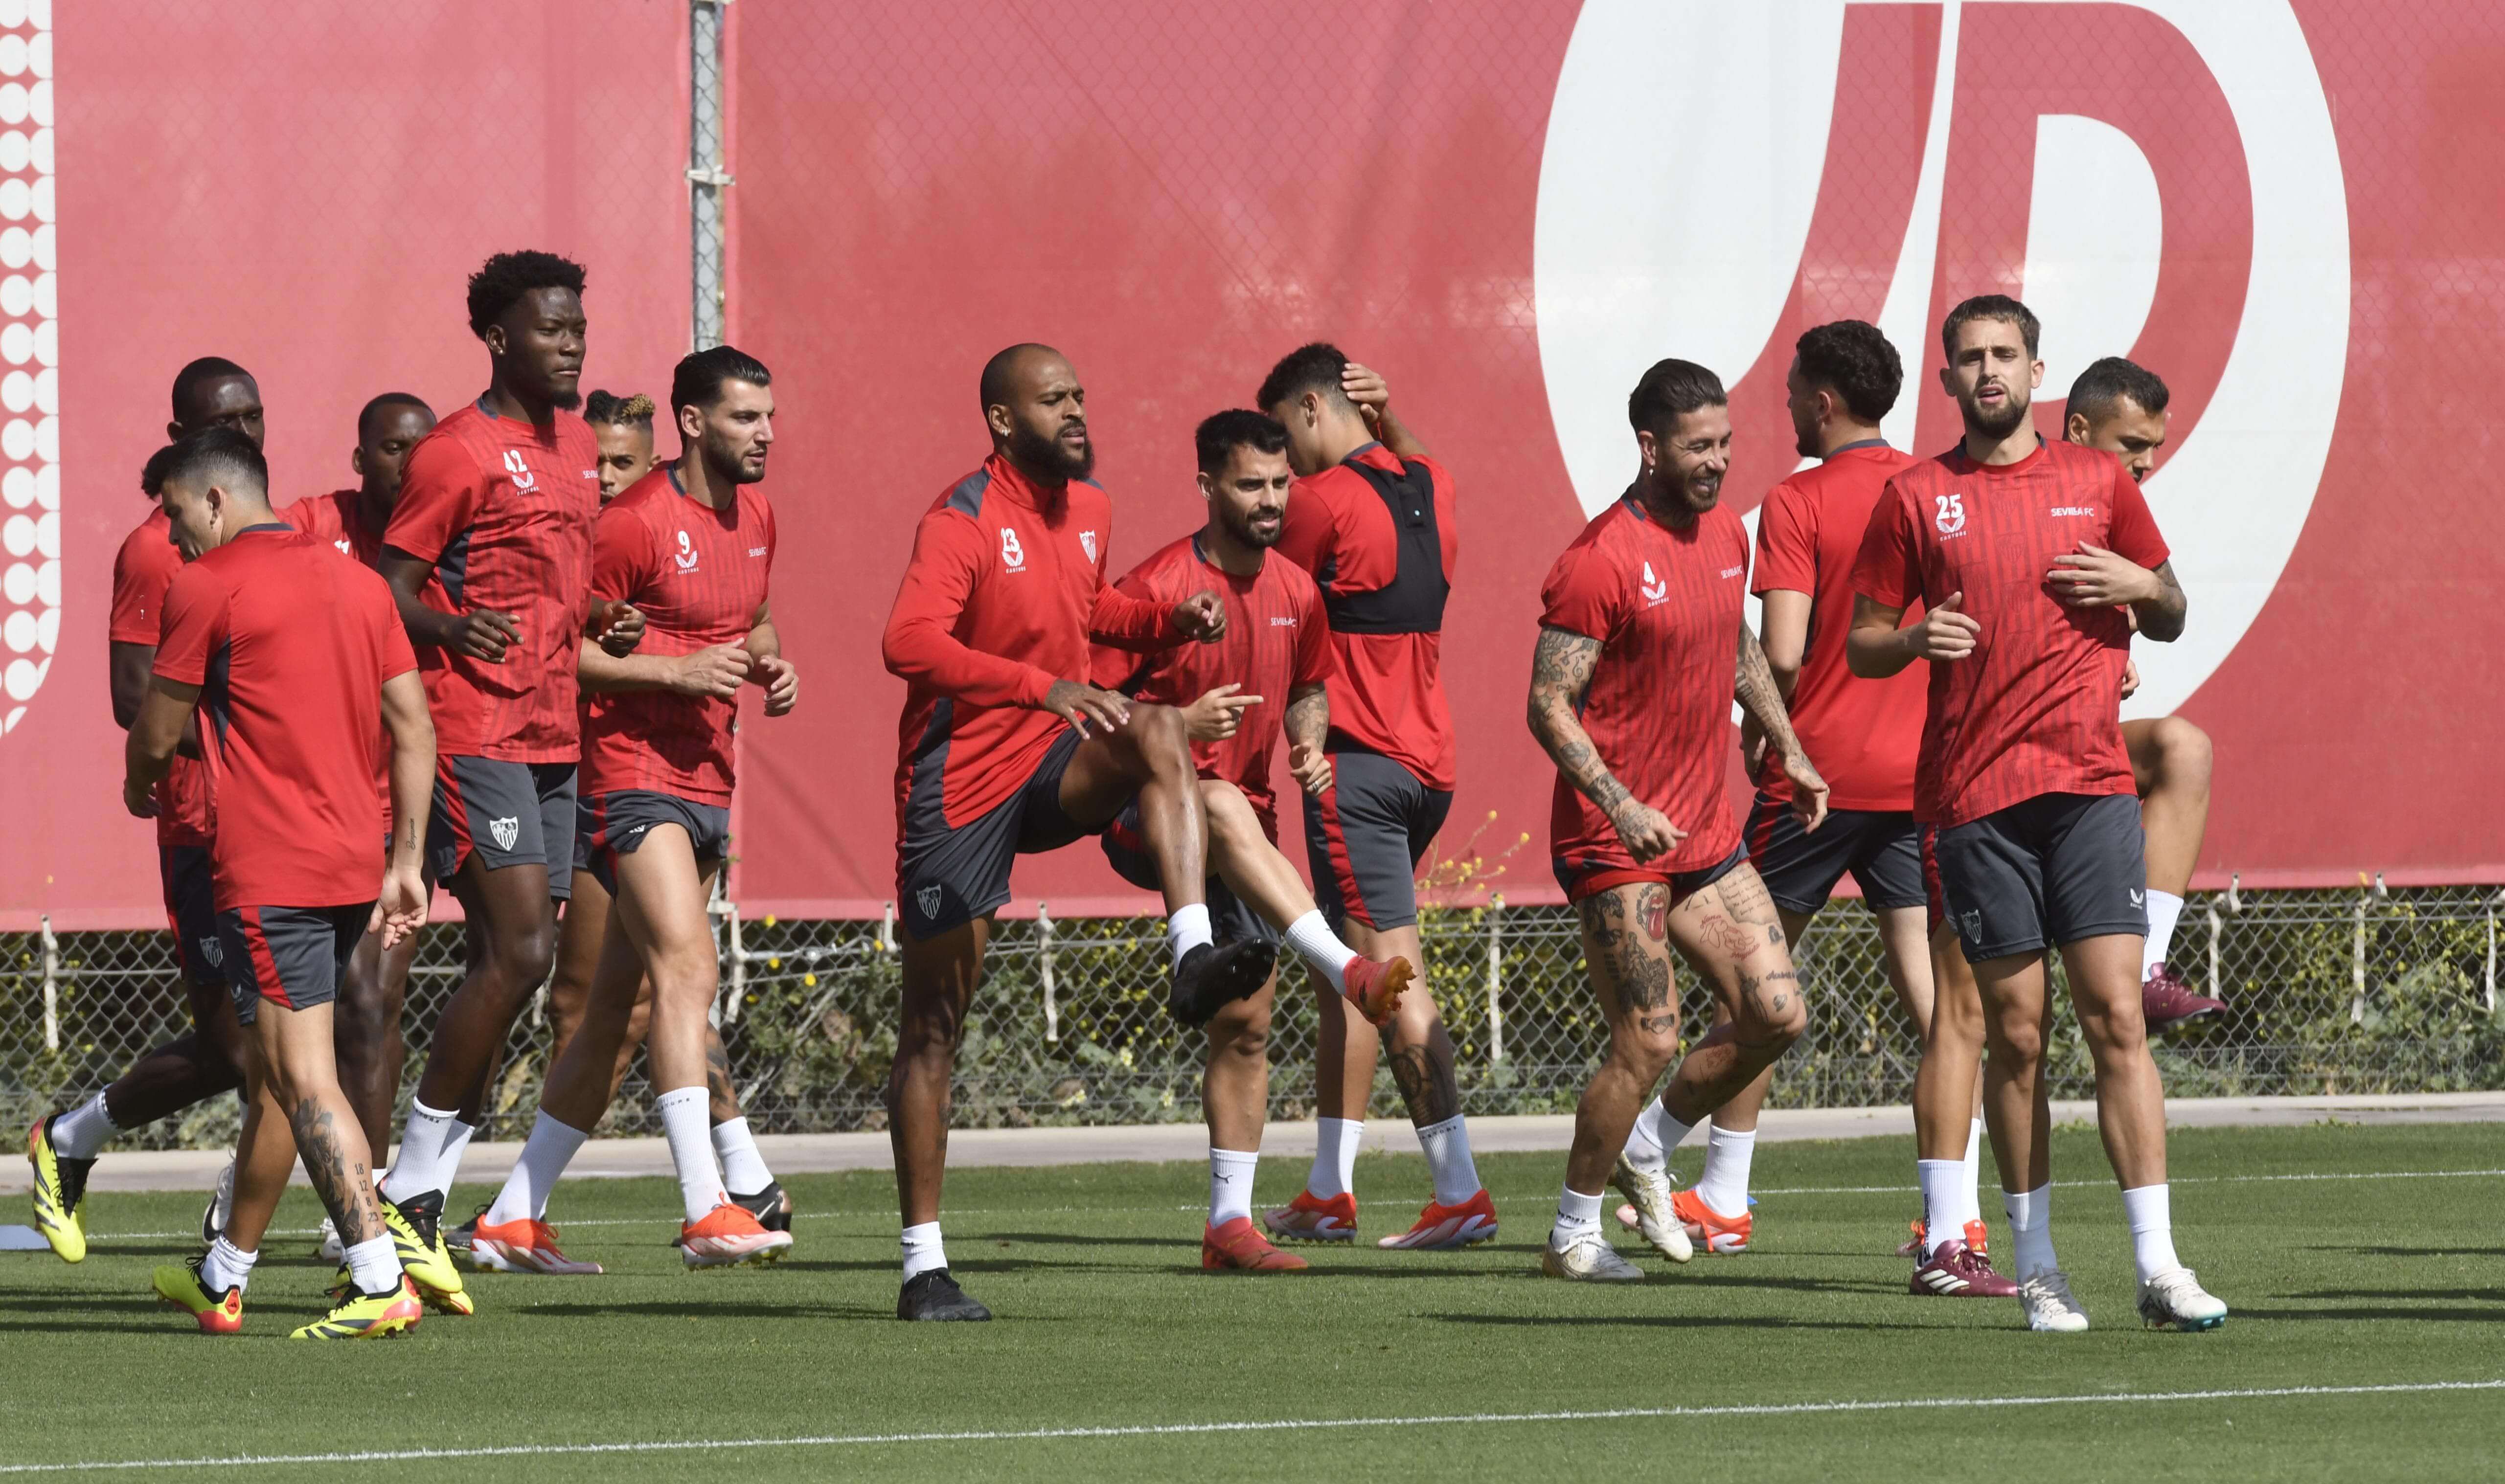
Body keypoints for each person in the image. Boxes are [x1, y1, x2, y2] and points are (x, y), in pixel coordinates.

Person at [1847, 293, 2227, 1333]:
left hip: (2090, 793)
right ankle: (2040, 1265)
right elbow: (1860, 641)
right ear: (1945, 381)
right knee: (2015, 1035)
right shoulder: (1917, 495)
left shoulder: (2100, 477)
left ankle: (2158, 1264)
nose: (1987, 372)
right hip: (1975, 801)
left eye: (2004, 354)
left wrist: (2139, 581)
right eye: (1968, 357)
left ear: (2035, 368)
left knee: (2114, 1018)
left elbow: (2176, 605)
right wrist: (1915, 640)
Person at [878, 343, 1267, 1321]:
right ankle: (923, 1264)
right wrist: (1039, 684)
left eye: (1080, 395)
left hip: (1054, 759)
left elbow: (1084, 606)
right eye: (1054, 400)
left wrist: (1163, 621)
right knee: (933, 1028)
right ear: (1004, 420)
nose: (1076, 411)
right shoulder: (959, 517)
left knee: (1158, 726)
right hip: (960, 779)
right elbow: (908, 642)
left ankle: (1189, 951)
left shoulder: (1086, 508)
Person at [468, 348, 798, 1273]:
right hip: (631, 772)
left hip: (707, 776)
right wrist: (669, 670)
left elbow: (756, 617)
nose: (765, 433)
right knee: (690, 965)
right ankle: (707, 1205)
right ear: (694, 423)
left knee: (621, 1007)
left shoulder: (760, 514)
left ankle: (509, 1215)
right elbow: (552, 650)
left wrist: (772, 663)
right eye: (745, 417)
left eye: (769, 416)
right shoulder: (634, 521)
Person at [125, 428, 434, 1339]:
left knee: (302, 1078)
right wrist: (407, 860)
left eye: (179, 515)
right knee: (273, 1070)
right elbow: (414, 728)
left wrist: (139, 785)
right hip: (348, 864)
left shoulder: (208, 583)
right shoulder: (359, 579)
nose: (176, 538)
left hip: (272, 869)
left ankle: (378, 1276)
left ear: (216, 500)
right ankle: (224, 1274)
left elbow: (155, 731)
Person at [1089, 409, 1414, 1273]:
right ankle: (1349, 970)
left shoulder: (1297, 591)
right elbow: (1089, 711)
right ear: (1206, 485)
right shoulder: (1158, 583)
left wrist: (1308, 740)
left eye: (1280, 484)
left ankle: (1228, 1224)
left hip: (1246, 834)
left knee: (1248, 1022)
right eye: (1250, 485)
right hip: (1150, 818)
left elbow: (1310, 685)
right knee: (1223, 798)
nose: (1271, 500)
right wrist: (1175, 725)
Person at [1526, 359, 1830, 1281]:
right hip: (1615, 841)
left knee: (1778, 1014)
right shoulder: (1598, 560)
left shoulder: (1725, 536)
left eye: (1728, 443)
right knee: (1650, 1037)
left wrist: (1787, 743)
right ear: (1650, 446)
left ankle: (1648, 1143)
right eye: (1699, 446)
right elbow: (1548, 703)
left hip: (1704, 832)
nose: (1718, 462)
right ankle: (1574, 1230)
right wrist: (1620, 802)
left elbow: (1734, 644)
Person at [373, 250, 636, 1311]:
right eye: (551, 327)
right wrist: (447, 623)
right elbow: (385, 587)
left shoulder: (576, 445)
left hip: (554, 733)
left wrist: (596, 622)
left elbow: (553, 591)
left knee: (528, 961)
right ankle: (412, 1192)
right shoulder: (455, 450)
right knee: (519, 946)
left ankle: (417, 1191)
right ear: (498, 338)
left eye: (578, 324)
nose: (572, 340)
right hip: (473, 728)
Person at [1255, 347, 1497, 1252]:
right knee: (1344, 978)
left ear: (1315, 407)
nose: (1277, 476)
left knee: (1389, 980)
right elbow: (1414, 461)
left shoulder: (1316, 504)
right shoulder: (1429, 478)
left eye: (1283, 439)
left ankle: (1460, 1190)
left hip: (1357, 771)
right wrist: (1390, 418)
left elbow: (1258, 588)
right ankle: (1329, 1189)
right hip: (1427, 765)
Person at [29, 358, 267, 1265]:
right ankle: (91, 1146)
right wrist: (247, 746)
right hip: (204, 825)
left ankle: (86, 1145)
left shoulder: (275, 539)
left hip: (285, 824)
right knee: (245, 1052)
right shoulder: (154, 546)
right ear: (180, 438)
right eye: (225, 420)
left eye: (254, 415)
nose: (245, 433)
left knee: (298, 1034)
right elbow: (137, 698)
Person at [276, 393, 438, 1186]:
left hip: (403, 809)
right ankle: (258, 1193)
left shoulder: (452, 535)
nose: (408, 462)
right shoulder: (313, 526)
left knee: (372, 1006)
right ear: (359, 457)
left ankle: (374, 1204)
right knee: (276, 1031)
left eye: (421, 447)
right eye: (391, 446)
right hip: (316, 810)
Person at [2062, 357, 2226, 1031]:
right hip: (1995, 765)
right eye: (2133, 445)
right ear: (2078, 430)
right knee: (1996, 1024)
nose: (2149, 461)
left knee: (2183, 747)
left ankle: (2148, 965)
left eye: (2155, 446)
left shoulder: (2122, 510)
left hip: (2086, 752)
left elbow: (2173, 610)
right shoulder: (2010, 498)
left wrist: (2143, 591)